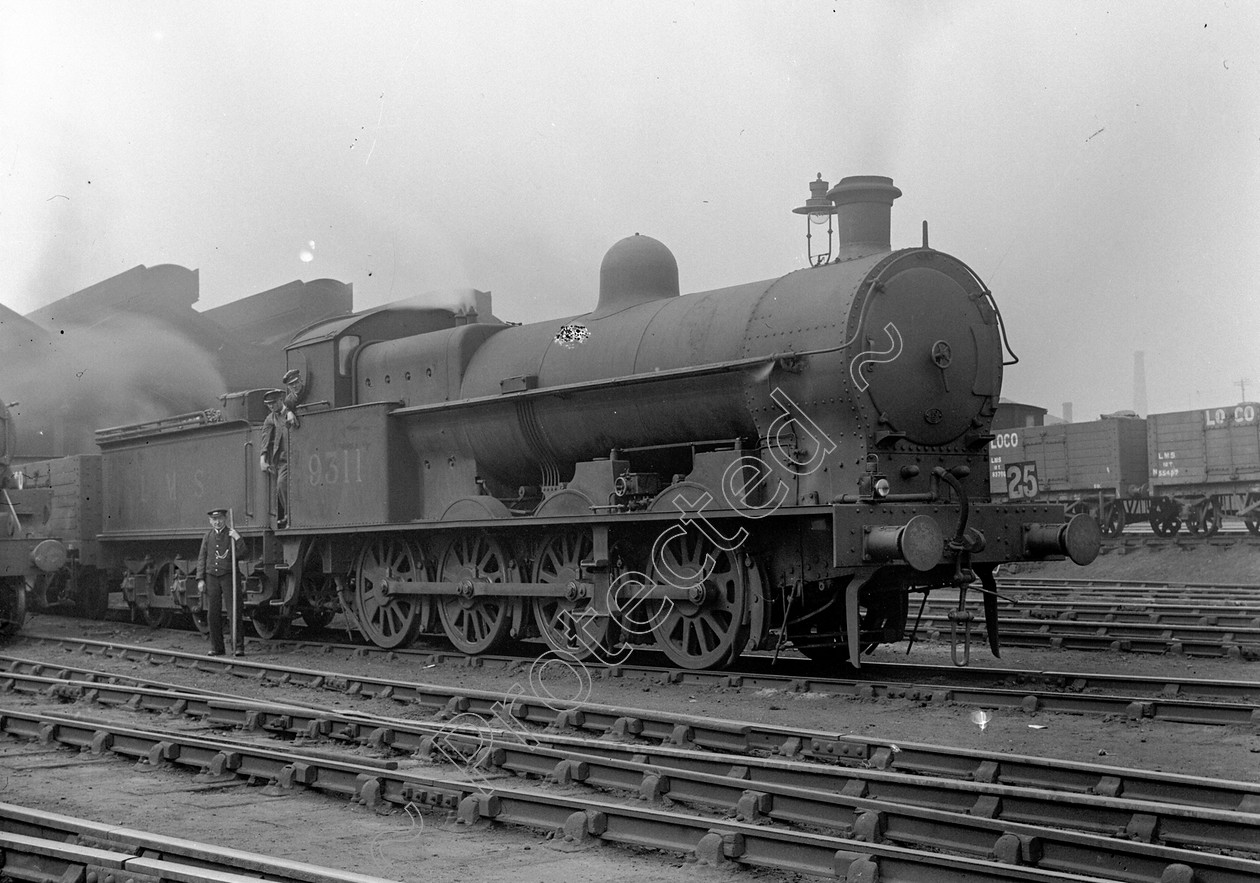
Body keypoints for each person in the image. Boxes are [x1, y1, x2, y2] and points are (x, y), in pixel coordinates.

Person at [195, 508, 246, 656]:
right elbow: (202, 558)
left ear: (225, 519)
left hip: (229, 576)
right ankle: (217, 647)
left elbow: (243, 553)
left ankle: (238, 647)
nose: (217, 522)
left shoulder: (232, 534)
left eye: (220, 519)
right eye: (214, 520)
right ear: (210, 521)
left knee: (234, 611)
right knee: (213, 614)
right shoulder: (207, 536)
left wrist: (238, 538)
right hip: (211, 578)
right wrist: (200, 579)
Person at [260, 389, 291, 527]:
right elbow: (265, 437)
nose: (271, 406)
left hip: (297, 456)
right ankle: (288, 514)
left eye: (273, 403)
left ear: (280, 400)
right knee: (281, 484)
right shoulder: (270, 418)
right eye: (268, 405)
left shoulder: (291, 409)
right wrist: (263, 459)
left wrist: (290, 412)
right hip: (283, 460)